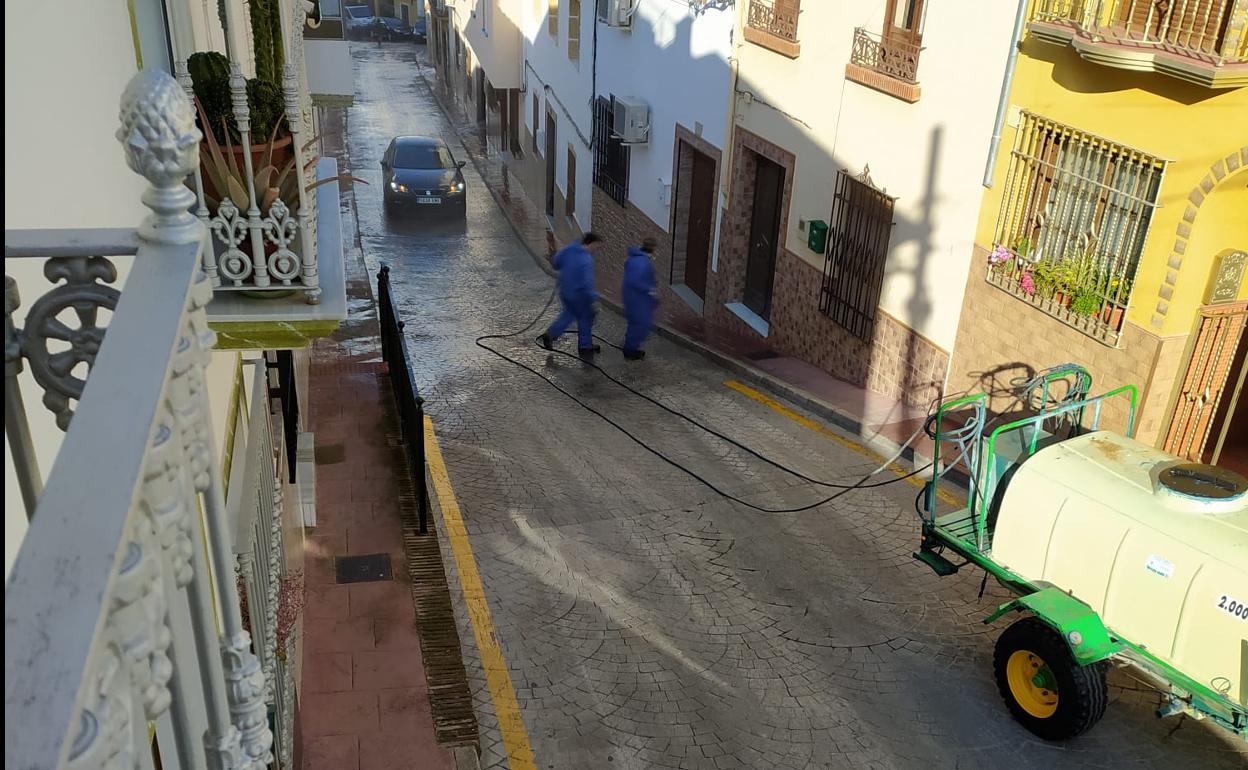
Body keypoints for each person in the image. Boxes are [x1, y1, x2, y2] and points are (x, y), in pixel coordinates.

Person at [540, 232, 602, 356]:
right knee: (585, 317)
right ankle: (585, 346)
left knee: (569, 314)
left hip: (565, 291)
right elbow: (587, 282)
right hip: (580, 294)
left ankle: (551, 334)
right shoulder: (586, 259)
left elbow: (556, 263)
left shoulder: (568, 249)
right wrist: (594, 299)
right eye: (596, 247)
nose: (596, 250)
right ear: (590, 244)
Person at [621, 237, 659, 360]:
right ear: (652, 249)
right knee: (640, 323)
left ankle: (630, 346)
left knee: (635, 322)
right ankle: (630, 350)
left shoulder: (635, 258)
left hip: (632, 296)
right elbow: (636, 281)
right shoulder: (643, 263)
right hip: (637, 298)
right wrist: (651, 290)